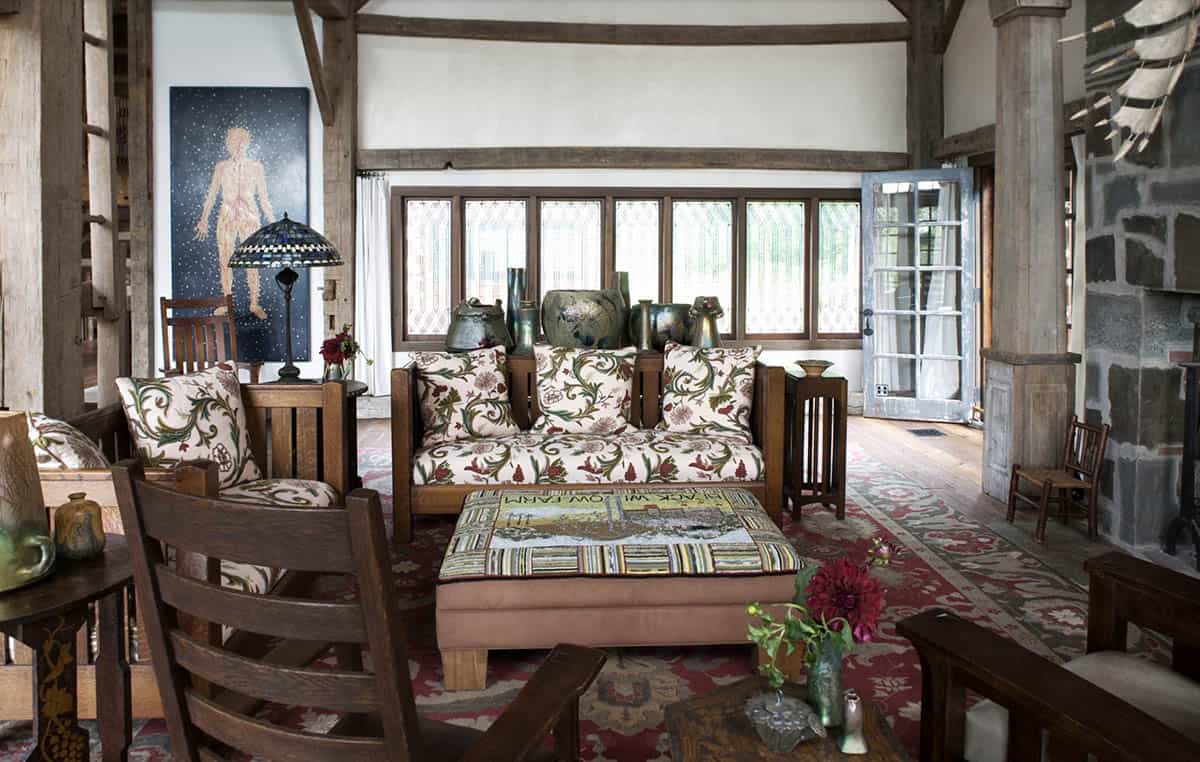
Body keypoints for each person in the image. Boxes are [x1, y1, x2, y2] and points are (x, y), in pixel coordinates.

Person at [194, 126, 274, 319]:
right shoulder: (221, 167)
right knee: (225, 261)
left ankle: (254, 303)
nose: (237, 145)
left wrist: (273, 223)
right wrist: (204, 219)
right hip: (227, 216)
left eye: (241, 141)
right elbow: (212, 194)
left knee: (252, 261)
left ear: (246, 143)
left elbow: (264, 197)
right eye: (233, 141)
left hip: (249, 217)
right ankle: (227, 301)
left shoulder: (256, 167)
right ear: (228, 144)